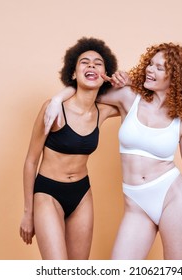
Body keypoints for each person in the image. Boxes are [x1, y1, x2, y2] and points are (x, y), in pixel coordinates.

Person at [45, 42, 182, 259]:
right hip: (136, 204)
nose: (150, 70)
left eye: (159, 68)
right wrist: (57, 99)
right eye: (150, 64)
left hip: (175, 198)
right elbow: (85, 89)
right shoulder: (128, 98)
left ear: (175, 78)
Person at [19, 37, 119, 259]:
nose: (91, 65)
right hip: (48, 194)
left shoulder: (102, 112)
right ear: (73, 72)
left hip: (82, 195)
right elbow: (30, 161)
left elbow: (137, 99)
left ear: (105, 74)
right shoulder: (54, 110)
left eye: (98, 63)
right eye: (84, 62)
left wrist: (121, 81)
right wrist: (28, 213)